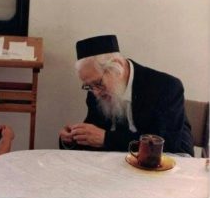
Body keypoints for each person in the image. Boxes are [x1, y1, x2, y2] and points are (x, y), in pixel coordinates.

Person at [59, 35, 194, 156]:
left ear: (117, 67)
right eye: (89, 86)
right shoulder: (96, 90)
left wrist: (107, 139)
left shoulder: (166, 86)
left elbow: (167, 144)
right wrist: (71, 139)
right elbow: (93, 137)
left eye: (98, 83)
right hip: (119, 165)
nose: (95, 92)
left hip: (171, 166)